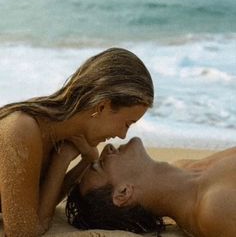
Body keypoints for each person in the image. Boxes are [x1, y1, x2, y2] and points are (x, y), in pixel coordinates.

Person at [0, 47, 154, 236]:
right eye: (127, 124)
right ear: (102, 106)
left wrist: (80, 160)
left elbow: (39, 205)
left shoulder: (55, 132)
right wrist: (61, 161)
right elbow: (21, 231)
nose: (122, 135)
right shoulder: (23, 128)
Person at [66, 137, 236, 237]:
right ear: (123, 192)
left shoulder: (186, 168)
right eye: (101, 165)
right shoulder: (214, 209)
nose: (107, 148)